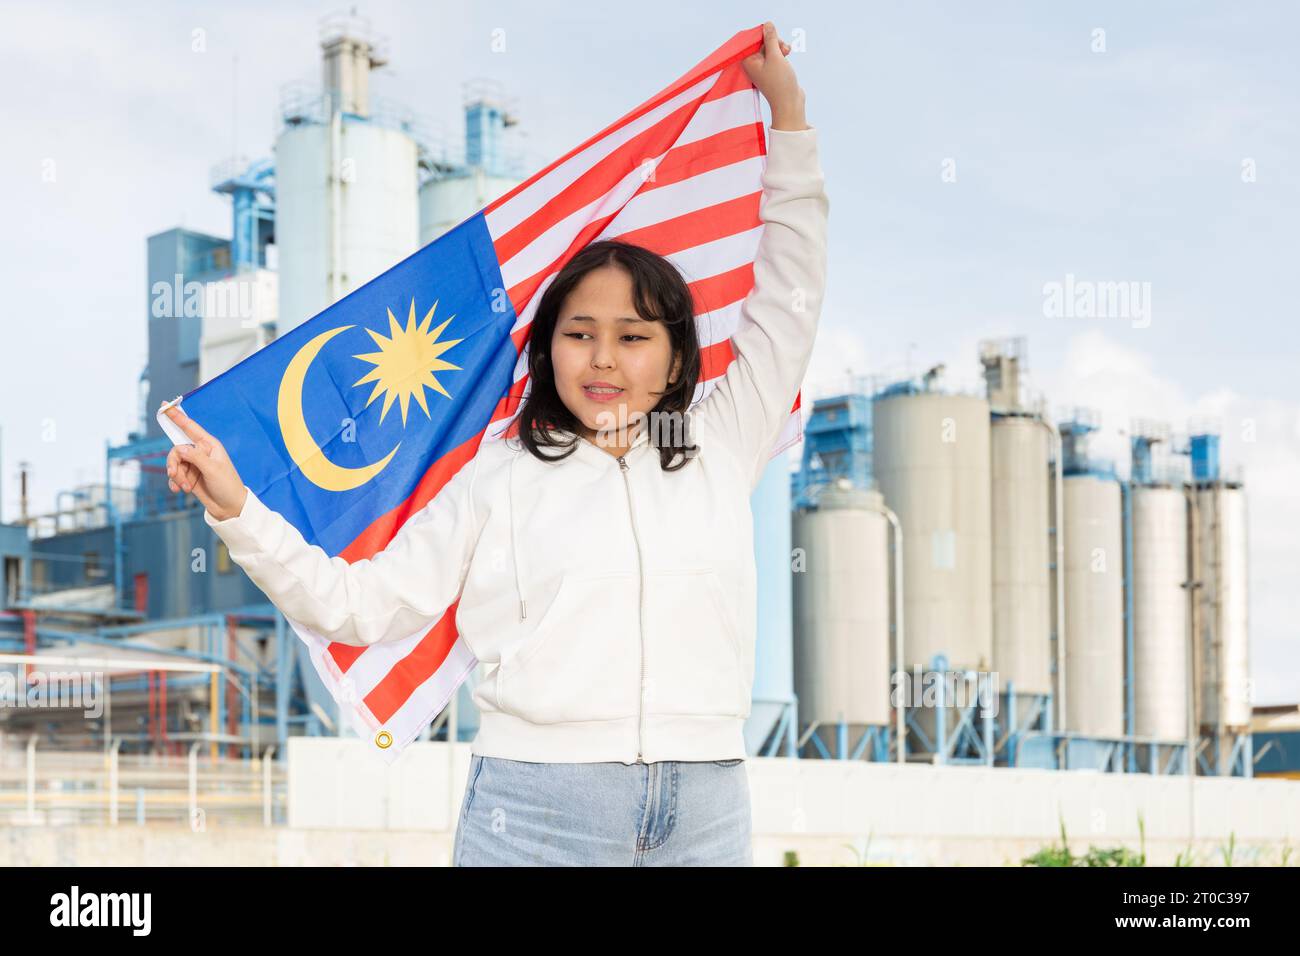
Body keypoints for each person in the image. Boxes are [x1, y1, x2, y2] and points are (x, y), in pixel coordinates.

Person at [163, 21, 827, 866]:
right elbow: (360, 606)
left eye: (633, 337)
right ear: (546, 348)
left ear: (674, 359)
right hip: (537, 808)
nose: (604, 359)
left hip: (706, 805)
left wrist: (792, 122)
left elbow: (791, 298)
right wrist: (237, 508)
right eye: (580, 333)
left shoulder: (721, 440)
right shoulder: (499, 476)